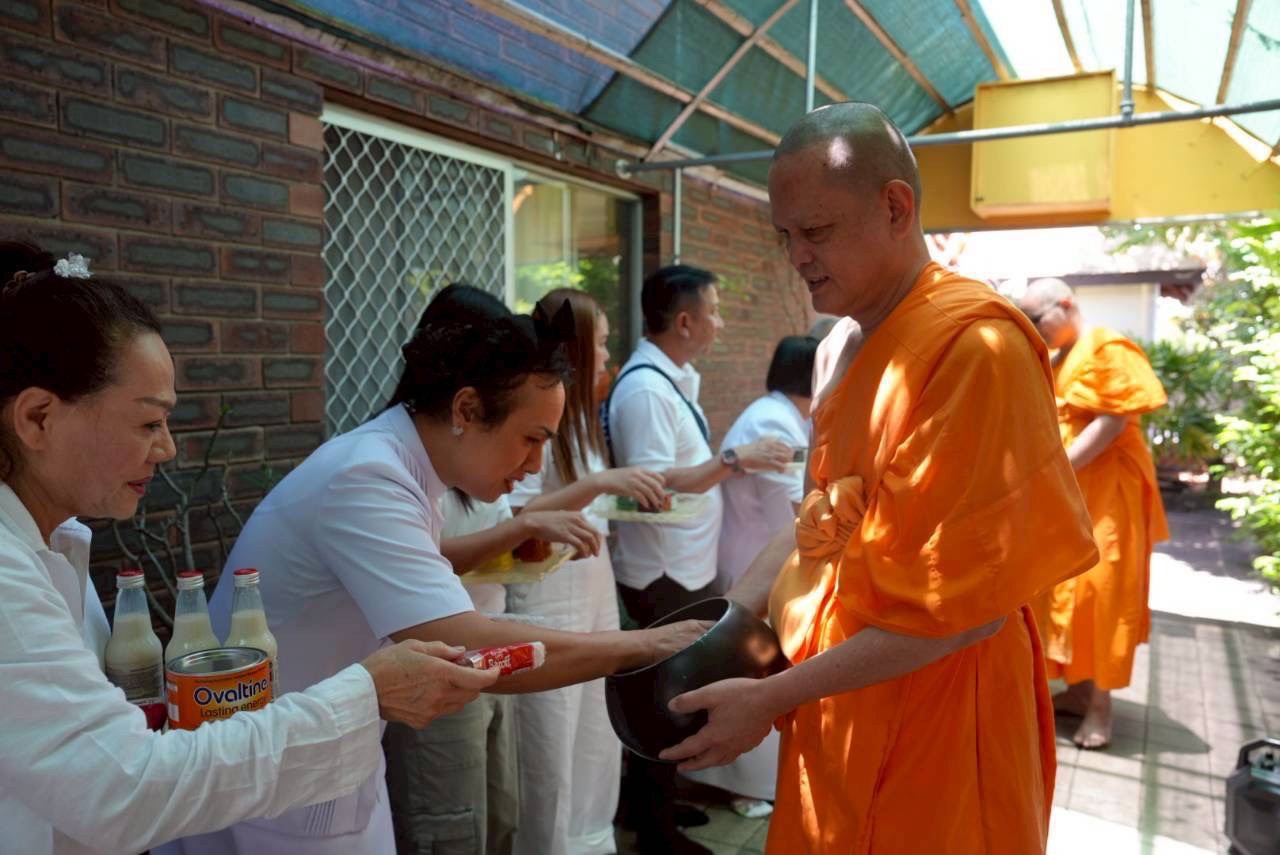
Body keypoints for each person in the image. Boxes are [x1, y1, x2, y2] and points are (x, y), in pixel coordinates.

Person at [658, 103, 1101, 855]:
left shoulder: (977, 349)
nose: (795, 254)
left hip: (940, 707)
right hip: (835, 695)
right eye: (785, 234)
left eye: (817, 231)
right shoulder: (838, 347)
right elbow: (816, 527)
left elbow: (965, 609)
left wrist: (771, 696)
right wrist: (724, 624)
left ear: (896, 206)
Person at [164, 284, 705, 854]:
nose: (536, 464)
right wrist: (644, 646)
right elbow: (466, 643)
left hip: (311, 758)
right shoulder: (367, 478)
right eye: (530, 439)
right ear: (466, 409)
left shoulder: (401, 469)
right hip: (279, 770)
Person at [0, 242, 498, 855]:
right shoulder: (7, 571)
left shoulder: (56, 545)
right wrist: (366, 692)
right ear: (38, 419)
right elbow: (119, 785)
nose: (167, 449)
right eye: (149, 422)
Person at [605, 265, 793, 854]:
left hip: (681, 567)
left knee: (677, 692)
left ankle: (658, 803)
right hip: (660, 573)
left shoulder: (672, 378)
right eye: (713, 310)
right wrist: (736, 460)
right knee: (669, 700)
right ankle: (654, 832)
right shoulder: (643, 389)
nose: (719, 321)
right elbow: (653, 483)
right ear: (684, 320)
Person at [505, 288, 668, 855]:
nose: (606, 355)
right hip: (546, 600)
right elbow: (517, 515)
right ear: (574, 349)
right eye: (598, 343)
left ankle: (591, 841)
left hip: (591, 592)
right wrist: (600, 485)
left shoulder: (580, 418)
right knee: (548, 746)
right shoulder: (539, 421)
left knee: (595, 737)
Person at [1017, 278, 1170, 749]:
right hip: (1073, 497)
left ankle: (1102, 708)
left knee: (1103, 595)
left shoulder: (1107, 347)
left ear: (1065, 305)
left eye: (1037, 320)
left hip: (1109, 498)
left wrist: (1054, 468)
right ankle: (1080, 691)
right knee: (1067, 591)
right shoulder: (1063, 357)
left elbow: (1111, 420)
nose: (1035, 330)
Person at [685, 334, 818, 817]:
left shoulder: (779, 414)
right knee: (751, 667)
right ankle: (740, 785)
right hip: (755, 560)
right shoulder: (772, 422)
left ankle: (746, 780)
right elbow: (788, 510)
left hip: (758, 554)